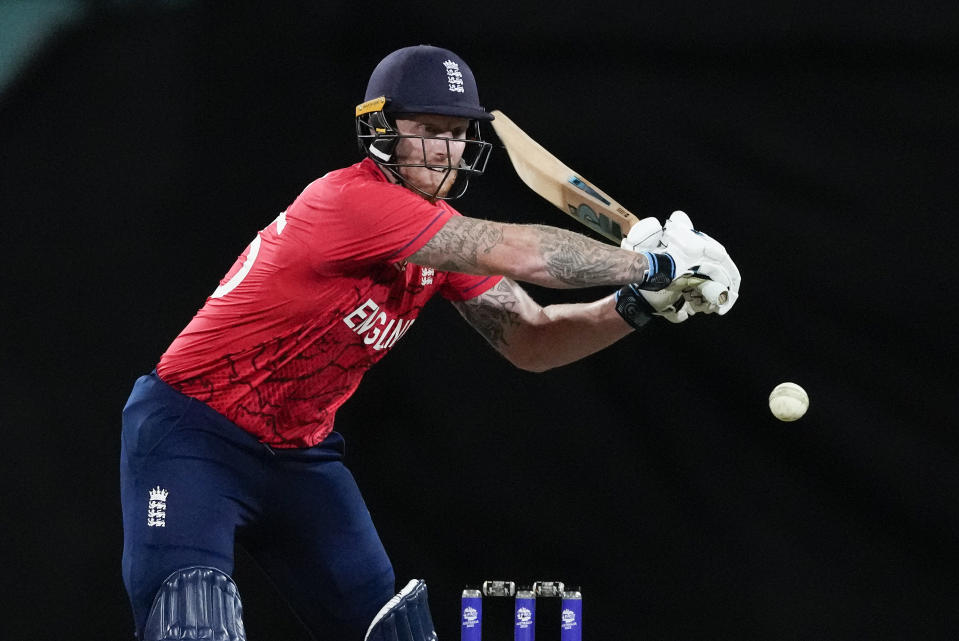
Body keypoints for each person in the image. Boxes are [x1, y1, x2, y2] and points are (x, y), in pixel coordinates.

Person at [120, 44, 740, 641]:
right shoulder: (355, 201)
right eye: (429, 129)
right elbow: (524, 253)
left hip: (298, 459)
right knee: (192, 620)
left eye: (457, 132)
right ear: (382, 131)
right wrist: (648, 266)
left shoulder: (437, 239)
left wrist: (636, 307)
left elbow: (532, 339)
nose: (447, 148)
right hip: (194, 435)